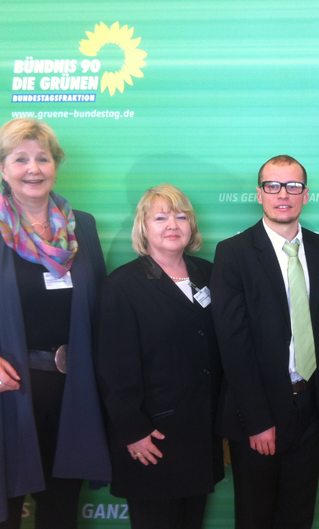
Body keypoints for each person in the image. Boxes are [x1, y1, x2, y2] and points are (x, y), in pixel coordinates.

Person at [0, 118, 111, 528]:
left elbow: (99, 308)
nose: (33, 169)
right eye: (20, 159)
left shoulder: (83, 227)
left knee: (60, 512)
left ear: (55, 165)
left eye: (43, 158)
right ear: (2, 168)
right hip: (3, 392)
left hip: (71, 395)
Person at [211, 155, 319, 529]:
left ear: (306, 195)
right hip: (260, 409)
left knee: (299, 514)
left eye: (293, 186)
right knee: (256, 515)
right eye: (273, 186)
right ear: (260, 194)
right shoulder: (233, 253)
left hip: (311, 405)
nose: (283, 194)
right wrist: (257, 420)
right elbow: (233, 346)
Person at [96, 184, 224, 529]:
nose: (172, 225)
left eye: (181, 217)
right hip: (152, 436)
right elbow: (113, 368)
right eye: (161, 217)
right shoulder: (122, 285)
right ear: (143, 227)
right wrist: (133, 429)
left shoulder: (208, 273)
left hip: (201, 432)